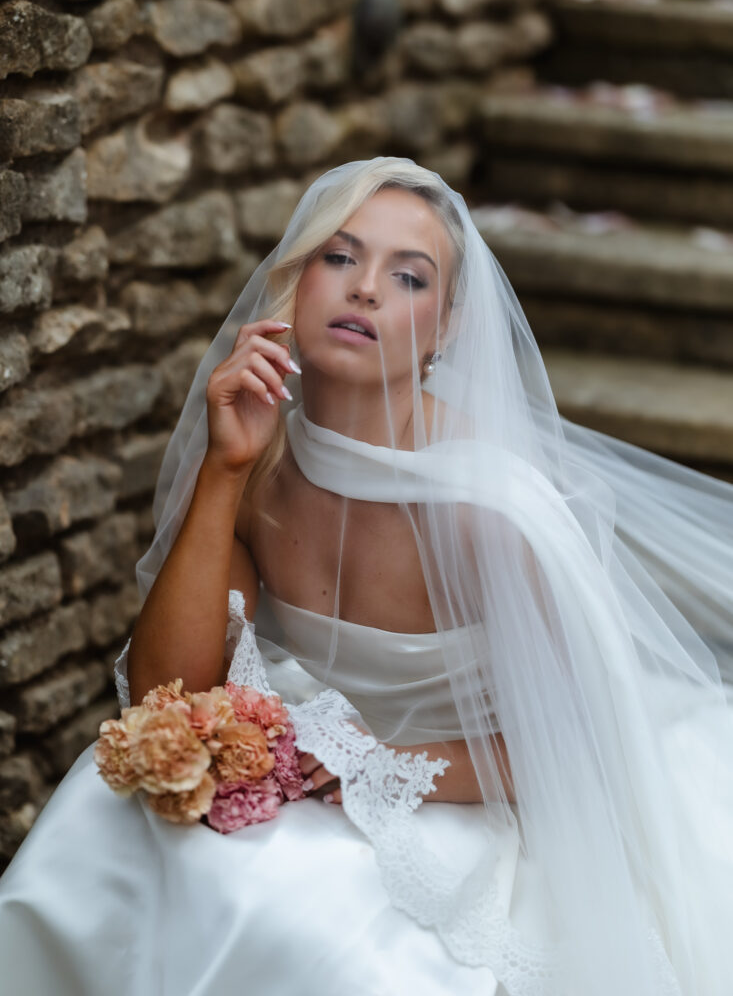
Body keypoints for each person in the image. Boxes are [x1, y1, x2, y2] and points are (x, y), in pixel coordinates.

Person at [0, 156, 731, 996]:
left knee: (335, 944)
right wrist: (224, 472)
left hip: (481, 796)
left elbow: (585, 754)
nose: (365, 290)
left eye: (408, 277)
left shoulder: (487, 507)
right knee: (106, 815)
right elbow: (166, 693)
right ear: (295, 281)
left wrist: (384, 766)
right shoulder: (260, 458)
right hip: (327, 768)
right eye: (338, 258)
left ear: (446, 328)